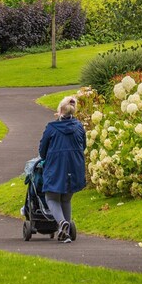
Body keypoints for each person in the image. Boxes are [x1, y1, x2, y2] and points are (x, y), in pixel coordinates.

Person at [38, 95, 87, 243]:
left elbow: (42, 151)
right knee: (66, 198)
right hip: (75, 166)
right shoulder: (79, 127)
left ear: (59, 110)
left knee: (51, 197)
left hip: (56, 167)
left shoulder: (52, 128)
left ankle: (62, 223)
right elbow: (83, 146)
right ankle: (65, 232)